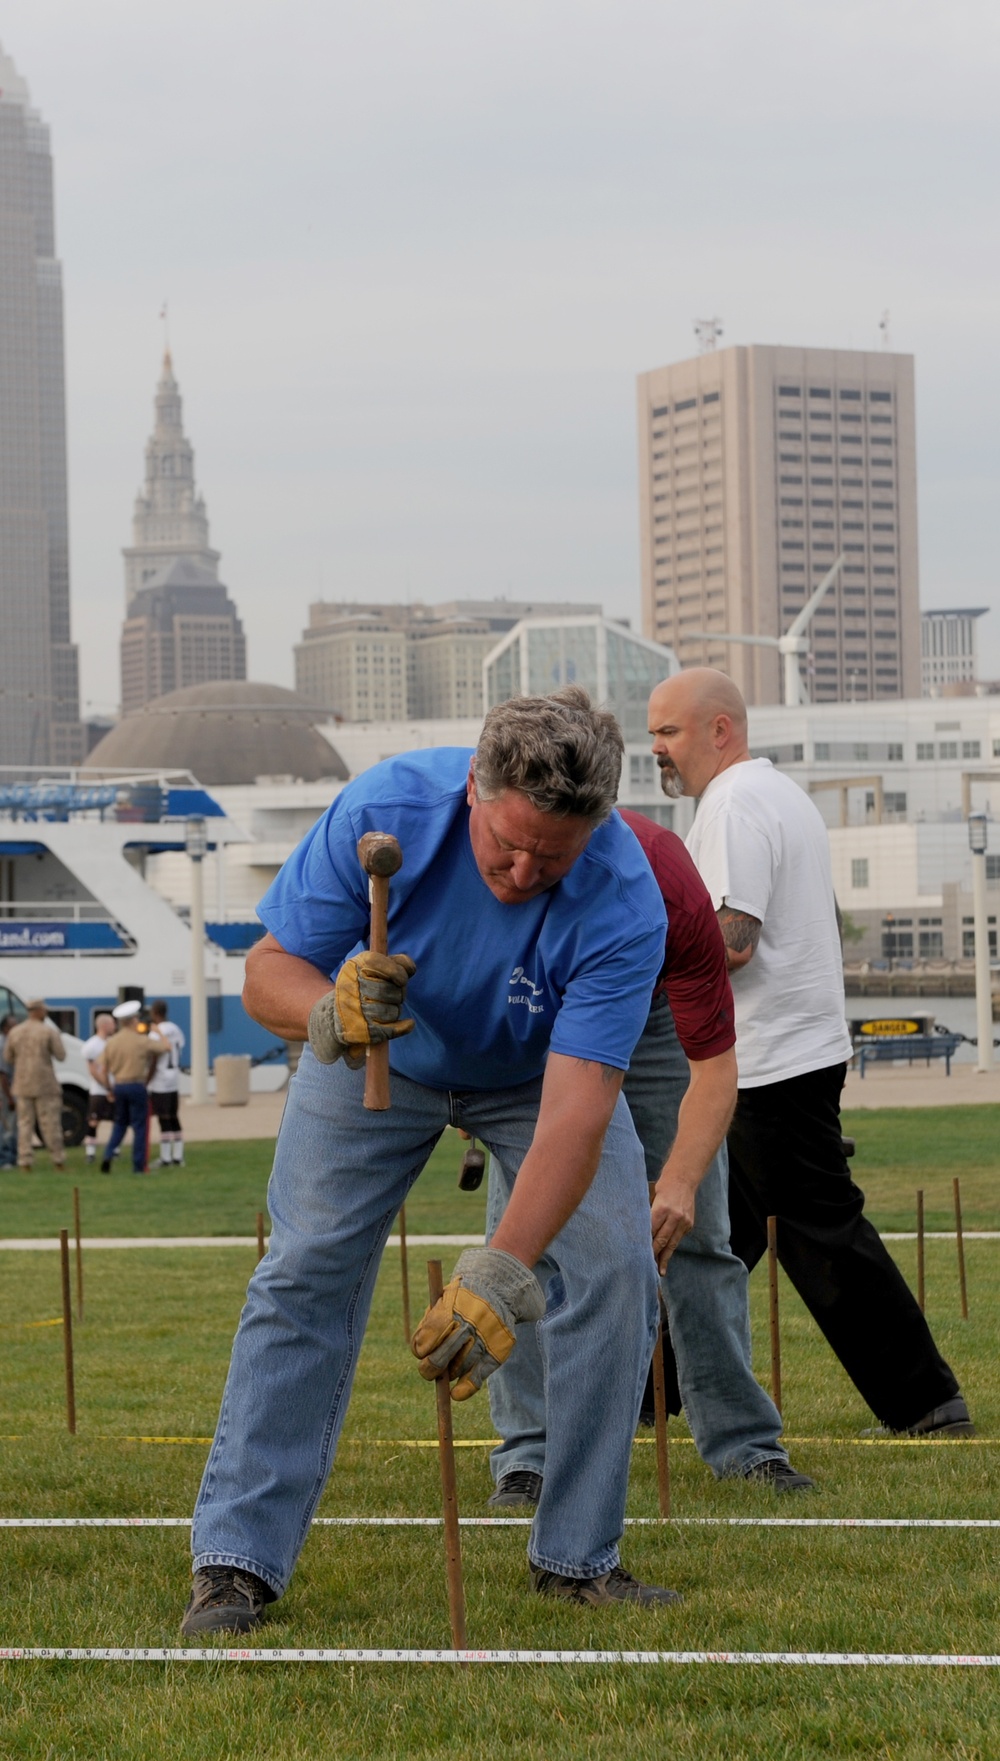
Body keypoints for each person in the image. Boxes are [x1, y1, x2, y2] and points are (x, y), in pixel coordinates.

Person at [181, 688, 676, 1638]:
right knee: (303, 1269)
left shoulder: (622, 897)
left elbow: (578, 1111)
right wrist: (328, 1008)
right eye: (508, 845)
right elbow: (265, 975)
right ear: (471, 793)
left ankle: (578, 1556)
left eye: (554, 856)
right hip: (378, 1049)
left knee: (616, 1265)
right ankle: (235, 1559)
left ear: (598, 832)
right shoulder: (383, 810)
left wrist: (502, 1267)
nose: (527, 871)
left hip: (537, 1074)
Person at [648, 666, 973, 1439]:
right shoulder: (775, 793)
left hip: (765, 1065)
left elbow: (733, 938)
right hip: (785, 1053)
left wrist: (632, 955)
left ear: (720, 729)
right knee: (702, 1236)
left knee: (821, 1234)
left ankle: (926, 1400)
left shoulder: (731, 805)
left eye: (668, 731)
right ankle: (642, 1390)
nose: (654, 747)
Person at [486, 805, 813, 1512]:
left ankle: (745, 1444)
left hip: (655, 1006)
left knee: (701, 1237)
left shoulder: (668, 875)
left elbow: (715, 1067)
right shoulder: (497, 864)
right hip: (548, 1005)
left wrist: (684, 1180)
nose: (532, 866)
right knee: (521, 1240)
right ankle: (530, 1455)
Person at [98, 1001, 169, 1175]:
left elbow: (103, 1069)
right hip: (136, 1085)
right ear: (133, 1020)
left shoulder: (112, 1042)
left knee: (119, 1124)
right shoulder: (141, 1041)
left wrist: (109, 1088)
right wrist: (158, 1032)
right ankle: (138, 1166)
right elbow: (166, 1048)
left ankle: (108, 1154)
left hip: (119, 1086)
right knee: (140, 1127)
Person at [4, 999, 65, 1173]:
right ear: (38, 1011)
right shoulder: (48, 1031)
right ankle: (57, 1160)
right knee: (50, 1123)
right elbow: (61, 1055)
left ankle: (25, 1161)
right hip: (45, 1084)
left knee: (24, 1124)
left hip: (21, 1084)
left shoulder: (15, 1032)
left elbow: (8, 1057)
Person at [147, 1000, 186, 1168]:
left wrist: (147, 1080)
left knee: (163, 1119)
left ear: (155, 1013)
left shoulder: (156, 1033)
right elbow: (181, 1049)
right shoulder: (176, 1029)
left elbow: (153, 1057)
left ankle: (165, 1158)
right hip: (173, 1079)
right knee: (174, 1116)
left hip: (160, 1080)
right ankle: (178, 1156)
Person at [81, 1013, 116, 1166]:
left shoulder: (112, 1043)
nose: (114, 1026)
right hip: (99, 1090)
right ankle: (90, 1152)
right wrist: (107, 1087)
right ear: (104, 1025)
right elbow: (93, 1070)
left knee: (117, 1120)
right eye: (112, 1023)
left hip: (114, 1088)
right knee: (94, 1120)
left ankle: (115, 1149)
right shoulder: (91, 1045)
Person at [0, 1013, 18, 1168]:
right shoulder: (3, 1045)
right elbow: (2, 1074)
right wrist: (10, 1097)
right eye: (14, 1026)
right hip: (6, 1091)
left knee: (12, 1125)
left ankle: (12, 1156)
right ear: (6, 1028)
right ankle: (6, 1159)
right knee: (7, 1125)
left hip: (10, 1089)